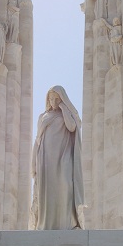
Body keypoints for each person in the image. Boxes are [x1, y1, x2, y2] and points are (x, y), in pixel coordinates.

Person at [30, 86, 85, 230]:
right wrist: (33, 163)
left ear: (62, 98)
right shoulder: (43, 116)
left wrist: (64, 108)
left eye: (57, 98)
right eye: (51, 98)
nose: (53, 101)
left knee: (66, 184)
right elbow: (38, 139)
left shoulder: (65, 114)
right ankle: (45, 224)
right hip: (45, 158)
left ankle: (68, 222)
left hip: (63, 156)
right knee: (46, 191)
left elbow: (72, 127)